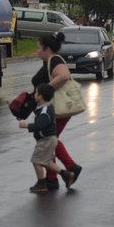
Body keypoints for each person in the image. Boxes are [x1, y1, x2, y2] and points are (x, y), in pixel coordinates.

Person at [31, 32, 82, 190]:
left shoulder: (55, 60)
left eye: (39, 48)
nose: (37, 51)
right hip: (51, 109)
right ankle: (58, 175)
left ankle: (63, 173)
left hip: (56, 109)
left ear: (47, 49)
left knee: (48, 141)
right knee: (50, 141)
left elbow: (64, 76)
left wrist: (46, 90)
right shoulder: (49, 61)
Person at [19, 83, 75, 193]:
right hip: (50, 139)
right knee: (47, 162)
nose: (34, 94)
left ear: (40, 97)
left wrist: (27, 125)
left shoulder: (45, 111)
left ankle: (41, 183)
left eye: (36, 93)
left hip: (46, 140)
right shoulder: (44, 108)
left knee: (36, 160)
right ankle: (66, 175)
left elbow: (41, 125)